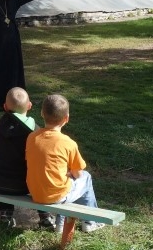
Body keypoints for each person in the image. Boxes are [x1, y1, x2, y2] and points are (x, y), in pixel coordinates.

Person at [25, 94, 104, 233]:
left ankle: (60, 224)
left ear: (42, 113)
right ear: (66, 118)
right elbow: (78, 174)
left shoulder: (32, 137)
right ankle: (90, 222)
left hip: (35, 192)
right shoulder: (68, 143)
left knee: (63, 181)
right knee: (86, 178)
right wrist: (71, 173)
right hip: (56, 195)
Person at [0, 87, 36, 227]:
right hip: (23, 186)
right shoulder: (34, 132)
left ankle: (5, 212)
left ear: (4, 107)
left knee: (5, 164)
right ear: (29, 105)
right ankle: (45, 216)